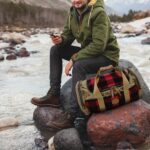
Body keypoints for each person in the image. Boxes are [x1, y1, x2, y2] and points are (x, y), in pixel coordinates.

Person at [31, 0, 120, 129]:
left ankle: (73, 114)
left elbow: (99, 46)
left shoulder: (98, 12)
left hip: (106, 55)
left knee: (79, 65)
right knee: (55, 50)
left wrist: (74, 59)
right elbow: (68, 35)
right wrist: (61, 39)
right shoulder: (73, 11)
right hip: (90, 52)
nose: (76, 1)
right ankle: (54, 95)